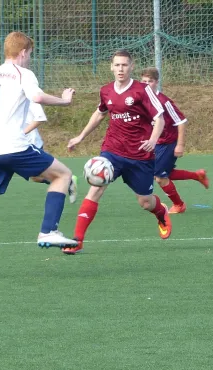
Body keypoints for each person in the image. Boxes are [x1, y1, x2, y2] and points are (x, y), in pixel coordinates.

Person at [0, 31, 78, 278]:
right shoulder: (23, 73)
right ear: (23, 53)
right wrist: (65, 101)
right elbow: (37, 97)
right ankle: (48, 231)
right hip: (13, 146)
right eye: (30, 54)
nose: (30, 58)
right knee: (63, 175)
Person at [62, 49, 172, 255]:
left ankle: (160, 211)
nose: (120, 69)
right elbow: (100, 113)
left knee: (145, 202)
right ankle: (77, 239)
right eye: (117, 65)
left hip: (140, 155)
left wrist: (153, 139)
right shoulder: (106, 91)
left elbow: (160, 118)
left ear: (131, 67)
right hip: (112, 151)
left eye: (124, 65)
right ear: (111, 67)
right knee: (96, 187)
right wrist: (80, 136)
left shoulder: (142, 90)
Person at [0, 102, 78, 216]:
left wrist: (20, 134)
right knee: (34, 177)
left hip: (27, 142)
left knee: (34, 176)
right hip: (9, 144)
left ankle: (65, 180)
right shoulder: (5, 92)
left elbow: (39, 118)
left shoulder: (28, 92)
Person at [140, 67, 209, 213]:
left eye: (150, 81)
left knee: (159, 177)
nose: (147, 84)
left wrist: (180, 144)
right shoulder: (142, 100)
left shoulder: (164, 102)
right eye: (144, 81)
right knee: (166, 173)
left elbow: (181, 121)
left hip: (169, 142)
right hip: (156, 143)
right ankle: (197, 175)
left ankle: (179, 205)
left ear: (157, 82)